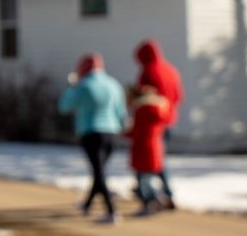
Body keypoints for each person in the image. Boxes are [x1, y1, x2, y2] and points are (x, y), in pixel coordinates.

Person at [58, 53, 128, 224]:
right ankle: (87, 205)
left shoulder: (83, 85)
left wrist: (71, 87)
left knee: (99, 173)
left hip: (91, 132)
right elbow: (121, 112)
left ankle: (112, 211)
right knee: (99, 172)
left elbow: (64, 106)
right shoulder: (113, 84)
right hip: (112, 133)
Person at [134, 38, 182, 209]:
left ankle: (148, 195)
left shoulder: (148, 72)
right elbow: (178, 96)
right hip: (167, 120)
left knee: (146, 159)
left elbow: (145, 99)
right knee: (158, 158)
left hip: (151, 122)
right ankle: (167, 193)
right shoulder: (171, 70)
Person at [127, 85, 170, 216]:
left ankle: (151, 202)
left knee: (144, 179)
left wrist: (126, 133)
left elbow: (137, 131)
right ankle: (160, 198)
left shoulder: (143, 110)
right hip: (155, 147)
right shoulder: (160, 108)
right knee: (149, 177)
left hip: (143, 148)